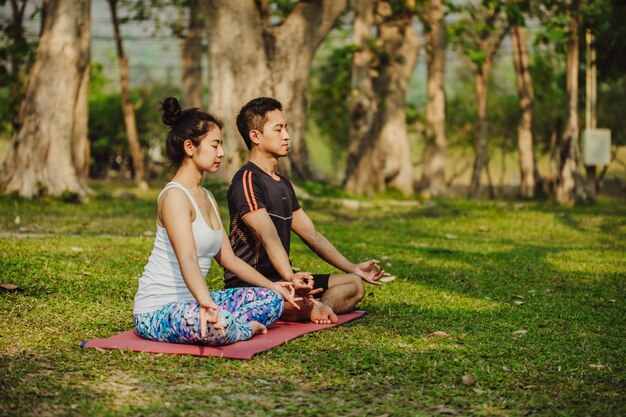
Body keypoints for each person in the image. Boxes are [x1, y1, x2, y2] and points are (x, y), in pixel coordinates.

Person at [133, 97, 302, 346]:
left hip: (194, 302)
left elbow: (229, 258)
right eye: (215, 145)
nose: (221, 153)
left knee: (273, 300)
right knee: (214, 324)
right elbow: (188, 258)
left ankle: (229, 323)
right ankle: (238, 327)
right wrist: (205, 302)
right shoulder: (174, 197)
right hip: (159, 310)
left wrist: (276, 287)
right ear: (190, 147)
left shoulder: (208, 197)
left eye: (221, 145)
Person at [224, 97, 388, 324]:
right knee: (293, 299)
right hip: (253, 286)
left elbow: (313, 236)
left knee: (353, 284)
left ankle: (318, 307)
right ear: (255, 136)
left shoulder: (283, 184)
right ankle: (308, 306)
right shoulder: (247, 180)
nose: (286, 136)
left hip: (286, 280)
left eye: (286, 128)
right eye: (278, 129)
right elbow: (269, 237)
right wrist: (289, 276)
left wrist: (353, 267)